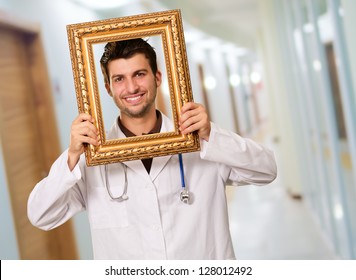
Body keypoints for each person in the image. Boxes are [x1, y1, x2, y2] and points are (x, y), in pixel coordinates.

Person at [27, 38, 277, 260]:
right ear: (108, 88)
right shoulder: (92, 157)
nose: (131, 88)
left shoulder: (200, 141)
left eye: (139, 74)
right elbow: (41, 215)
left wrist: (212, 134)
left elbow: (266, 170)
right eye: (119, 79)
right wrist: (71, 156)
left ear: (157, 77)